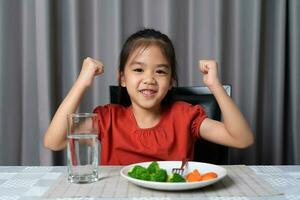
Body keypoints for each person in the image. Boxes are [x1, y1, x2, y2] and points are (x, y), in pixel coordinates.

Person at [44, 28, 254, 165]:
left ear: (171, 81)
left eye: (160, 71)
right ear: (123, 78)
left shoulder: (184, 116)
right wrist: (82, 82)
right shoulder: (107, 119)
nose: (150, 79)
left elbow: (242, 139)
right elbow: (54, 141)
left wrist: (215, 86)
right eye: (138, 70)